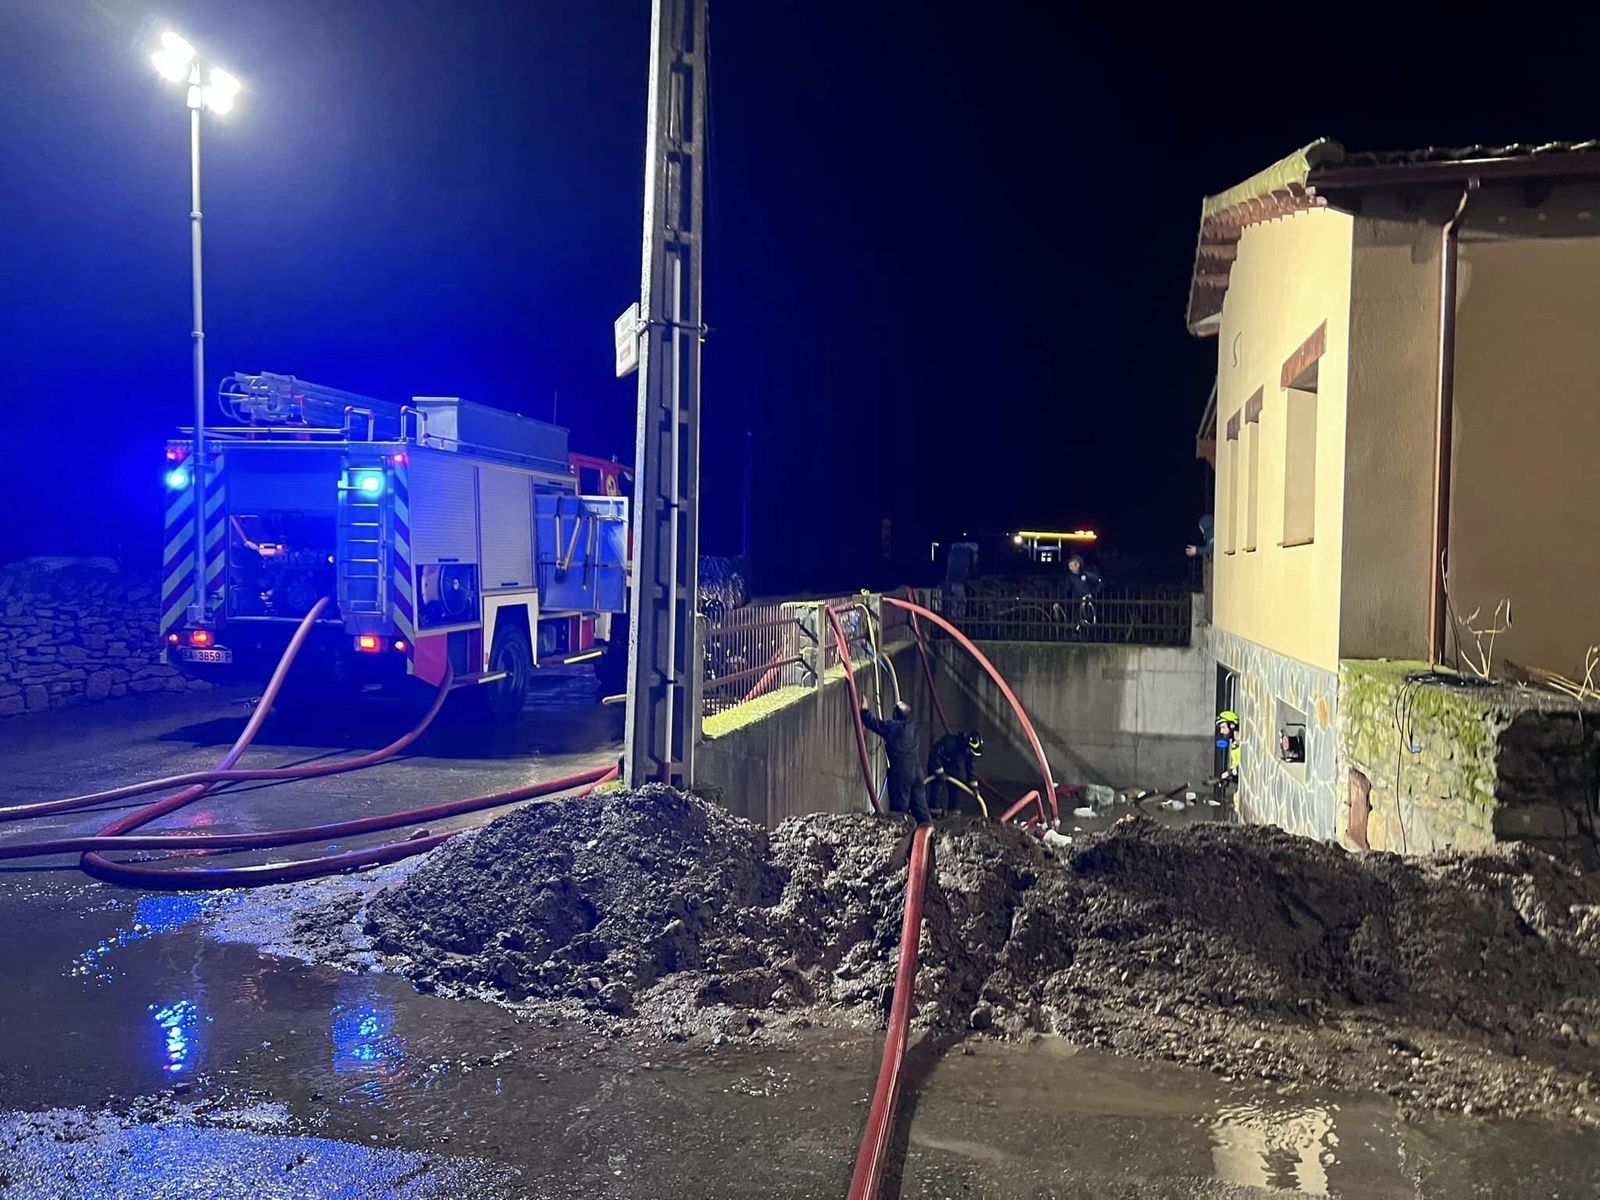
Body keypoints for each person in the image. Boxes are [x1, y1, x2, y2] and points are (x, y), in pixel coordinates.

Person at [860, 700, 931, 825]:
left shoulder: (892, 727)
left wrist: (864, 711)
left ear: (895, 714)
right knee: (921, 809)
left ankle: (902, 838)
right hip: (916, 772)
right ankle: (927, 833)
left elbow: (875, 724)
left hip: (900, 773)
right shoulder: (914, 728)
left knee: (899, 813)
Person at [928, 730, 985, 818]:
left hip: (952, 765)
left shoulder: (969, 751)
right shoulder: (950, 742)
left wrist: (973, 785)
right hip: (938, 764)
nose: (971, 754)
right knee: (937, 786)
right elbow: (935, 754)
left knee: (956, 787)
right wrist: (939, 771)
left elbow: (971, 768)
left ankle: (954, 814)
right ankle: (934, 813)